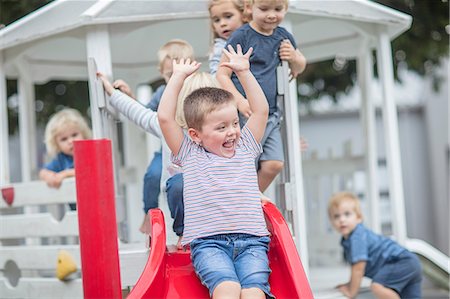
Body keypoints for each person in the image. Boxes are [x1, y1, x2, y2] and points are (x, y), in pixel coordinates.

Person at [158, 45, 273, 299]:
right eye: (221, 127)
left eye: (234, 123)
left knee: (254, 291)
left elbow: (261, 110)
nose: (232, 131)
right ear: (195, 135)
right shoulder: (190, 154)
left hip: (252, 242)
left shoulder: (245, 147)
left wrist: (244, 73)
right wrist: (177, 77)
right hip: (209, 244)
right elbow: (165, 118)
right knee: (227, 288)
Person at [97, 70, 218, 249]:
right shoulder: (170, 126)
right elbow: (138, 113)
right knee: (179, 182)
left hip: (214, 193)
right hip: (183, 193)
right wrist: (113, 93)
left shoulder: (221, 131)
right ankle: (185, 233)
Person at [216, 0, 307, 193]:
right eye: (264, 9)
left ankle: (250, 198)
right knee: (244, 163)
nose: (271, 15)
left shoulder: (284, 37)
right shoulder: (242, 36)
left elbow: (299, 67)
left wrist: (294, 58)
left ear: (286, 9)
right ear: (249, 8)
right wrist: (239, 101)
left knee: (274, 163)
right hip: (245, 115)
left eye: (278, 9)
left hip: (272, 114)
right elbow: (221, 74)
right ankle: (238, 200)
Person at [112, 39, 194, 235]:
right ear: (161, 73)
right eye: (170, 74)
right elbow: (144, 114)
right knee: (152, 175)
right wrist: (129, 96)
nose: (177, 78)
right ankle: (149, 214)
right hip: (166, 150)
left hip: (194, 150)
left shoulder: (194, 90)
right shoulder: (163, 92)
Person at [328, 191, 422, 299]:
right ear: (331, 222)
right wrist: (350, 283)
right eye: (336, 216)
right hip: (411, 262)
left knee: (377, 287)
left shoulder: (357, 237)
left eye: (347, 214)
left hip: (398, 261)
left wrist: (351, 291)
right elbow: (356, 269)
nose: (342, 220)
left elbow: (358, 268)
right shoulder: (350, 238)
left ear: (359, 218)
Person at [39, 108, 92, 210]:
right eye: (64, 139)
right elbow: (42, 172)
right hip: (74, 211)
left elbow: (86, 172)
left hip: (93, 205)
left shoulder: (89, 152)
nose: (70, 141)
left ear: (83, 134)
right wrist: (50, 176)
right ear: (56, 144)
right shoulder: (61, 159)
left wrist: (64, 174)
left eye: (74, 135)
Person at [208, 0, 247, 75]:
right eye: (217, 20)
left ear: (244, 15)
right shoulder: (220, 48)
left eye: (228, 16)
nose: (222, 24)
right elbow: (215, 75)